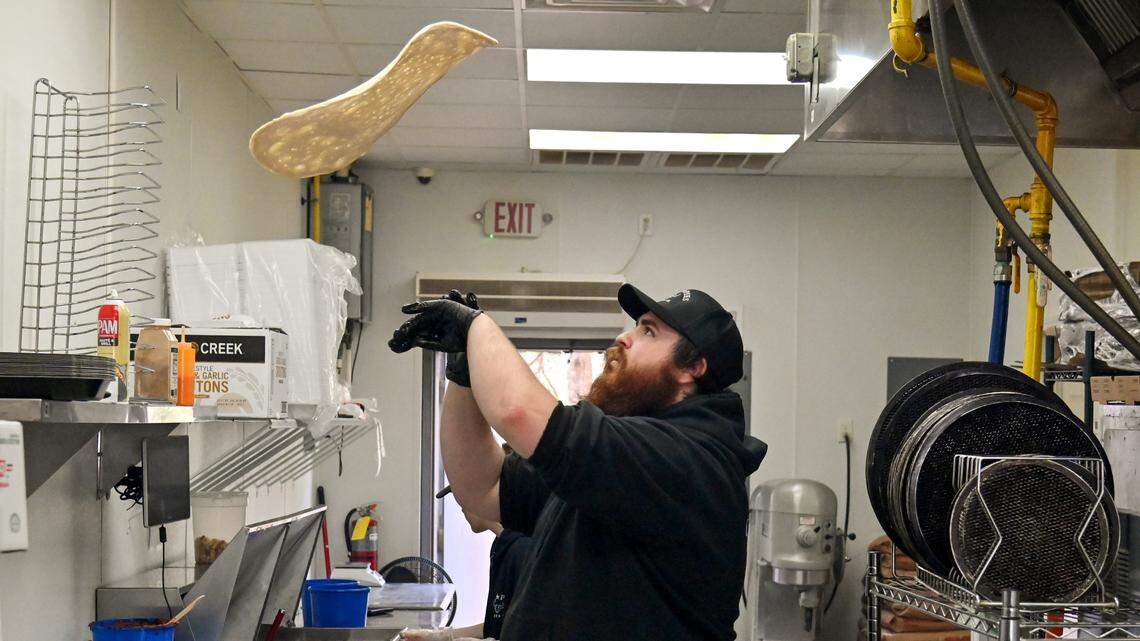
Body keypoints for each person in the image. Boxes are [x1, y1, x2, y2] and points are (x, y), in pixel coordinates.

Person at [389, 285, 767, 641]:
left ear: (692, 367)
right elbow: (483, 489)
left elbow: (517, 411)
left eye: (649, 332)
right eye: (636, 326)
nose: (625, 337)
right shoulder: (620, 463)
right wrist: (463, 373)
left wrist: (476, 327)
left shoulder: (687, 460)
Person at [400, 493, 533, 641]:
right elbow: (496, 626)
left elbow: (532, 631)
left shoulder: (524, 549)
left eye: (463, 495)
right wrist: (440, 636)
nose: (461, 507)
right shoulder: (501, 545)